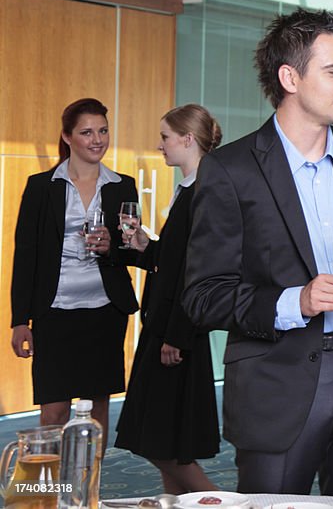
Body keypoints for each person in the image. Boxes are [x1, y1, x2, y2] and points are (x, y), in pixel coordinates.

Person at [180, 8, 333, 495]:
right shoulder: (230, 170)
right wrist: (297, 301)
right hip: (276, 388)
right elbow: (203, 296)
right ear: (290, 77)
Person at [10, 97, 140, 437]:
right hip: (54, 311)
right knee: (54, 412)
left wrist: (114, 246)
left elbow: (132, 249)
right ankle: (53, 490)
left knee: (95, 413)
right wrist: (20, 320)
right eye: (86, 132)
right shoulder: (41, 187)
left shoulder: (122, 186)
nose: (97, 139)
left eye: (103, 131)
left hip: (105, 310)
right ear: (68, 137)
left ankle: (88, 489)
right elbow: (25, 255)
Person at [115, 104, 223, 493]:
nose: (159, 145)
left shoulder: (202, 193)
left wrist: (175, 335)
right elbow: (175, 259)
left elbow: (198, 273)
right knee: (162, 444)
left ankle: (215, 503)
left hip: (174, 333)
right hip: (165, 328)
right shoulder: (190, 190)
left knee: (163, 445)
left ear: (187, 139)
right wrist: (146, 246)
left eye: (164, 137)